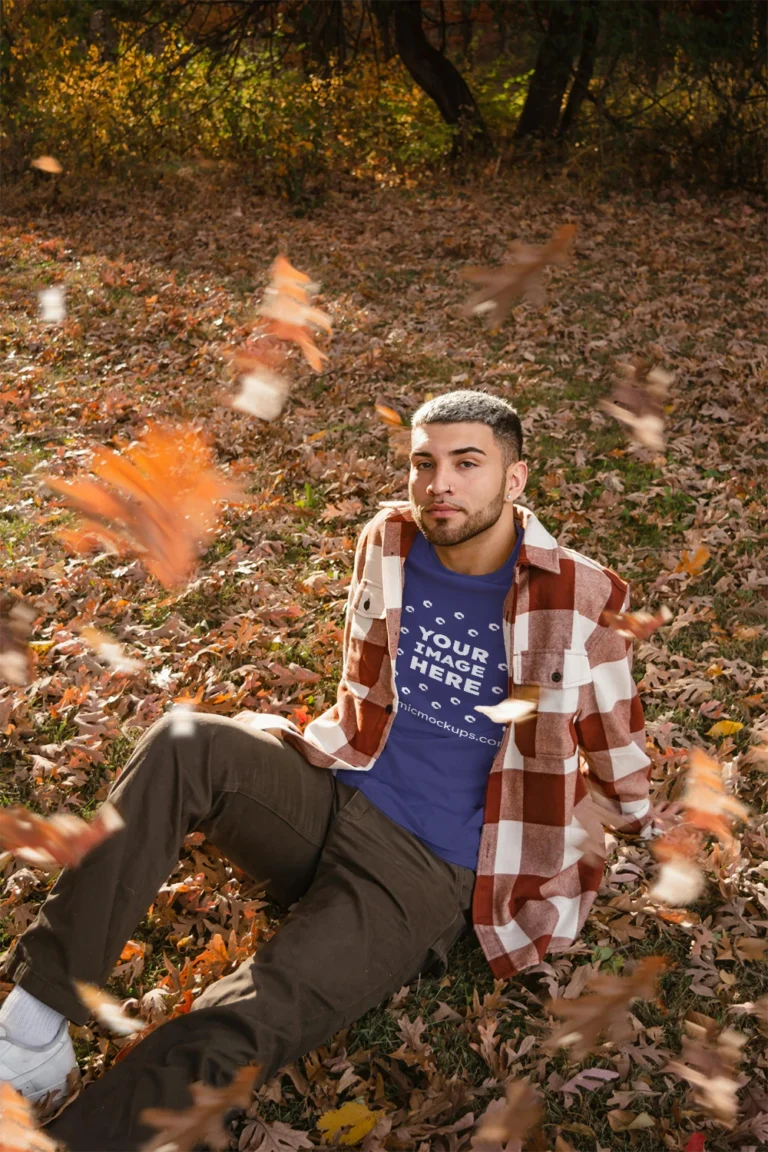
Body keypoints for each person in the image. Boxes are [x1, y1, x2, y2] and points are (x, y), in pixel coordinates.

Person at [0, 390, 652, 1149]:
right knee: (185, 740)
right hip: (334, 788)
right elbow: (364, 690)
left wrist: (566, 851)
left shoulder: (577, 596)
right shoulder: (390, 540)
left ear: (514, 481)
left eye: (466, 464)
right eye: (424, 463)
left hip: (424, 870)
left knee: (247, 1013)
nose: (439, 483)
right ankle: (34, 1025)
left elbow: (622, 771)